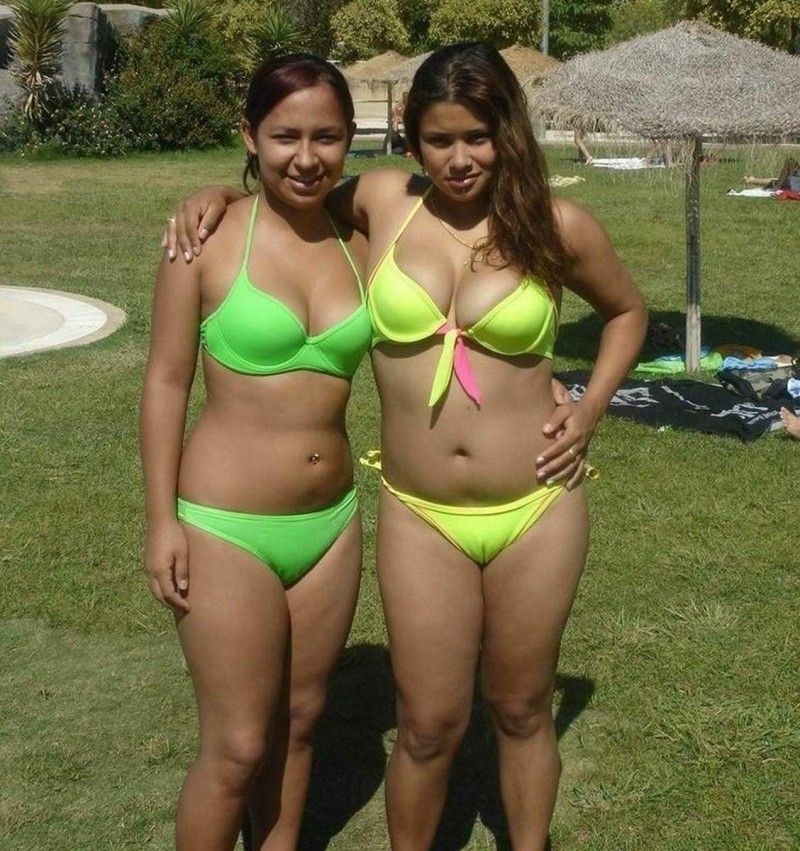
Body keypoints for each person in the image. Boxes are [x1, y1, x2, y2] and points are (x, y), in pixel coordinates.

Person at [165, 42, 647, 850]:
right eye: (439, 139)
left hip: (537, 502)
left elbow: (628, 311)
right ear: (410, 139)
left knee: (522, 708)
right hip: (420, 512)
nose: (460, 159)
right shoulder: (385, 201)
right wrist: (216, 195)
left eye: (478, 137)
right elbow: (290, 191)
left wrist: (591, 403)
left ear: (508, 132)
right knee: (425, 725)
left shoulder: (555, 225)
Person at [140, 54, 373, 851]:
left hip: (331, 526)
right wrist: (161, 522)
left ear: (351, 138)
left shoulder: (361, 238)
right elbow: (166, 382)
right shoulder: (202, 241)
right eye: (284, 136)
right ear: (249, 135)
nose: (306, 157)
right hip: (223, 525)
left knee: (300, 722)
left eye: (326, 136)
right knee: (237, 745)